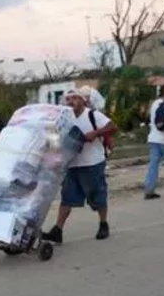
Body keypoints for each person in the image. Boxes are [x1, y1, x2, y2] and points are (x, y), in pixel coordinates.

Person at [41, 88, 117, 243]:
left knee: (97, 195)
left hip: (92, 163)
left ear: (83, 100)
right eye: (68, 99)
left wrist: (95, 133)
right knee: (67, 198)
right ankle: (58, 230)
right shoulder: (63, 119)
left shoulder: (92, 115)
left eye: (75, 98)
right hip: (72, 165)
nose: (71, 102)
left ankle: (103, 224)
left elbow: (112, 126)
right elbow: (54, 140)